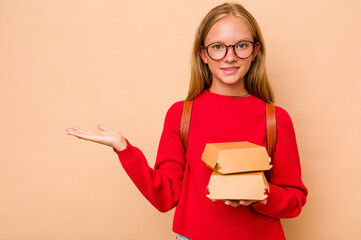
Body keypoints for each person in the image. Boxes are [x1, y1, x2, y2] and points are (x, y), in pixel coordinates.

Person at [66, 2, 307, 240]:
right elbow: (166, 197)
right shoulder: (181, 115)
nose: (230, 57)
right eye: (218, 47)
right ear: (203, 53)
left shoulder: (275, 119)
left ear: (255, 51)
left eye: (241, 45)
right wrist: (124, 149)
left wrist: (261, 195)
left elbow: (294, 201)